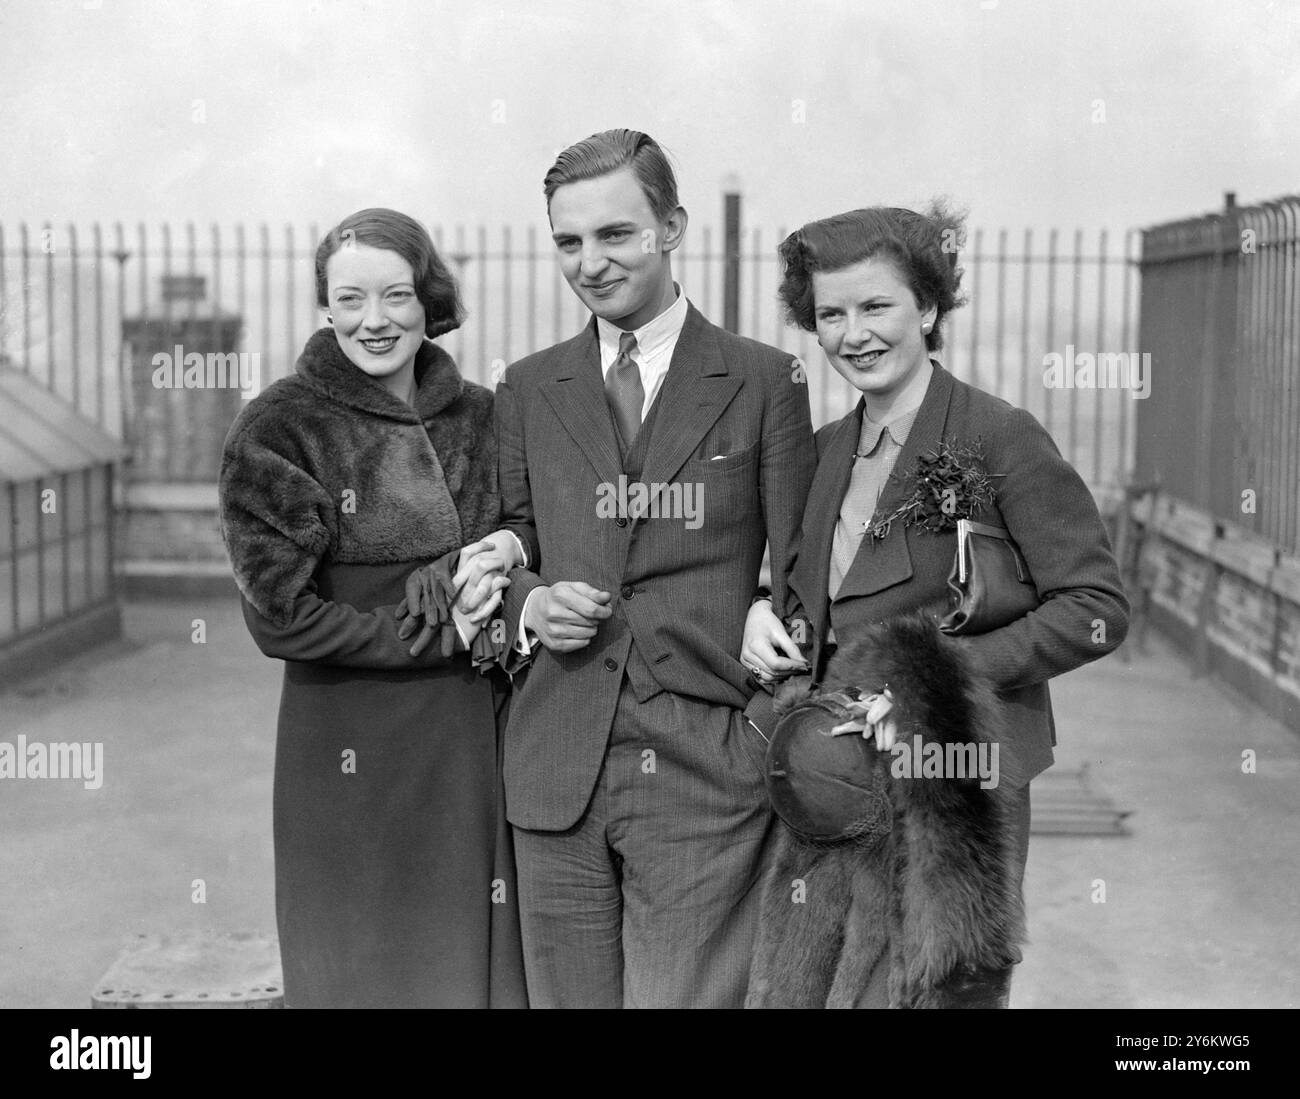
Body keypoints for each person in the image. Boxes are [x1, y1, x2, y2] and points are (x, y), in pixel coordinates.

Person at [741, 203, 1130, 1006]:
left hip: (956, 784)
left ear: (927, 306)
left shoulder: (1000, 435)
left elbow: (1096, 604)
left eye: (876, 306)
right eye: (830, 315)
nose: (854, 334)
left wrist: (926, 684)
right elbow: (811, 591)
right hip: (836, 782)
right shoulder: (822, 452)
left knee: (939, 992)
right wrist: (760, 608)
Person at [489, 129, 816, 1008]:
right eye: (568, 241)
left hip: (704, 768)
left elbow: (799, 572)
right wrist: (528, 604)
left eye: (615, 235)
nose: (590, 263)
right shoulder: (528, 387)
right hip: (557, 760)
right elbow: (506, 539)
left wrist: (758, 604)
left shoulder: (762, 380)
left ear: (670, 227)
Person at [218, 208, 531, 1008]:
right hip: (343, 741)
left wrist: (505, 546)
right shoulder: (280, 426)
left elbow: (534, 522)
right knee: (354, 958)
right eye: (349, 297)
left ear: (428, 300)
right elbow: (279, 618)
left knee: (464, 954)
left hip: (465, 734)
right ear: (325, 306)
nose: (374, 319)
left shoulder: (484, 416)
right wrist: (429, 635)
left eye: (395, 295)